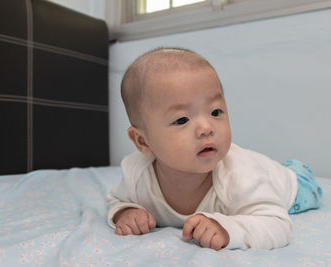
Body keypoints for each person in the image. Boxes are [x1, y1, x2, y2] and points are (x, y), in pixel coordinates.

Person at [107, 47, 322, 250]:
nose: (206, 128)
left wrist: (229, 229)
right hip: (261, 173)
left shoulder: (239, 174)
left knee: (303, 190)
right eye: (182, 120)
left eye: (216, 112)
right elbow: (116, 199)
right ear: (142, 142)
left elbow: (277, 225)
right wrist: (125, 212)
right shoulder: (136, 173)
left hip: (294, 183)